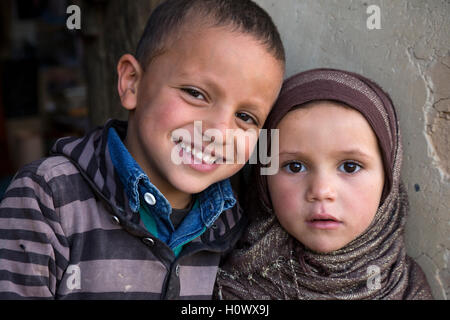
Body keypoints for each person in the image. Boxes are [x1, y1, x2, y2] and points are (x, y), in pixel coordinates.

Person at [0, 0, 285, 299]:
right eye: (195, 94)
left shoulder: (230, 224)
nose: (218, 132)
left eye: (245, 117)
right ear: (132, 83)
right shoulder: (48, 196)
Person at [215, 68, 433, 300]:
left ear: (388, 178)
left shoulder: (406, 287)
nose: (321, 191)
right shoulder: (234, 285)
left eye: (350, 167)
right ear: (263, 178)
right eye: (295, 166)